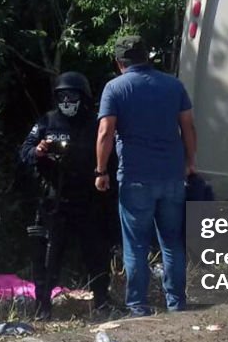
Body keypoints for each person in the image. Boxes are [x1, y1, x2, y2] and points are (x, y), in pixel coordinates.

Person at [95, 36, 197, 316]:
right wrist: (190, 162)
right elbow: (188, 127)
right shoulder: (173, 85)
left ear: (119, 63)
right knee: (172, 242)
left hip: (135, 177)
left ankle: (138, 305)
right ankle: (176, 303)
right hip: (172, 176)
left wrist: (101, 171)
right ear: (147, 57)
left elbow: (105, 132)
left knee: (136, 243)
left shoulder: (115, 88)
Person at [18, 71, 112, 320]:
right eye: (62, 96)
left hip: (89, 199)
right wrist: (38, 151)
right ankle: (43, 307)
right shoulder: (47, 121)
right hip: (54, 201)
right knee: (48, 258)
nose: (67, 101)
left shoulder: (94, 123)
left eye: (72, 95)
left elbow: (110, 154)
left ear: (83, 97)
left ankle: (102, 301)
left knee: (97, 253)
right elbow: (24, 151)